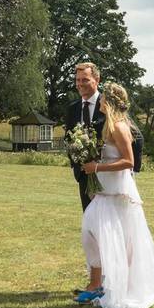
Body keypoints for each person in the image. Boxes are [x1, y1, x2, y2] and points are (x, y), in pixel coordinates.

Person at [77, 82, 154, 308]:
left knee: (118, 240)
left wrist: (96, 167)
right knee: (89, 231)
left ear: (109, 102)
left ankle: (117, 288)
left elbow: (129, 161)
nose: (99, 101)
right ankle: (106, 282)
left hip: (117, 194)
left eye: (102, 99)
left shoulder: (120, 128)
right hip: (104, 192)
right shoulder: (108, 127)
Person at [64, 62, 106, 211]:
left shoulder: (108, 105)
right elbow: (68, 139)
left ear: (97, 80)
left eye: (85, 80)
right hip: (83, 175)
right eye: (78, 80)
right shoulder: (72, 108)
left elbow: (136, 137)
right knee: (89, 220)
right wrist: (76, 164)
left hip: (107, 174)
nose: (80, 84)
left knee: (106, 222)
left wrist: (132, 171)